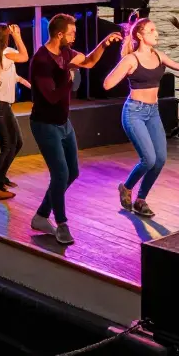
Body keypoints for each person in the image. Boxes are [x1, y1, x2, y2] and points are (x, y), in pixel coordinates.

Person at [28, 14, 122, 245]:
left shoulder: (67, 53)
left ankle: (41, 216)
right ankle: (61, 224)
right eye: (71, 33)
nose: (74, 37)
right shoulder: (41, 61)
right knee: (60, 174)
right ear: (59, 34)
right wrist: (69, 80)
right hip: (45, 125)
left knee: (72, 172)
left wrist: (104, 43)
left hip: (64, 124)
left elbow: (89, 61)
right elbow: (50, 96)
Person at [103, 17, 179, 217]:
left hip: (153, 112)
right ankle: (126, 187)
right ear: (140, 35)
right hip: (134, 112)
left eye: (156, 30)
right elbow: (107, 84)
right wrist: (121, 72)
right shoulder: (131, 59)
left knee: (160, 159)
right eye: (152, 30)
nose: (156, 33)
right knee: (149, 159)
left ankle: (141, 199)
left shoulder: (158, 55)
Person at [0, 22, 32, 200]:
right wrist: (18, 36)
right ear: (5, 38)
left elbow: (4, 74)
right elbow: (25, 56)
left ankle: (0, 179)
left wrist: (20, 79)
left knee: (16, 143)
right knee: (8, 146)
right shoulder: (6, 53)